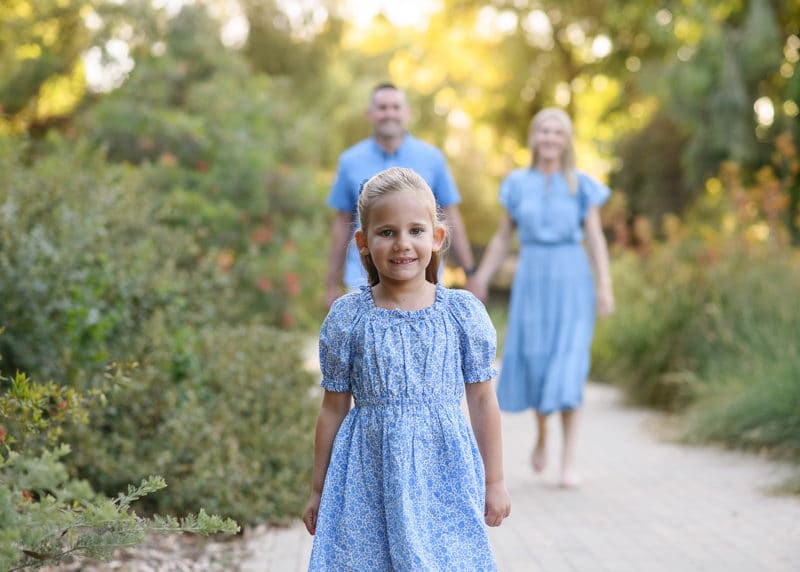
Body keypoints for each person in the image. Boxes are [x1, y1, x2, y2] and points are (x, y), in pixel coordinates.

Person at [304, 167, 511, 570]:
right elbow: (332, 408)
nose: (403, 244)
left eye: (416, 231)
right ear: (363, 243)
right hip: (367, 475)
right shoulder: (349, 318)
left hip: (443, 474)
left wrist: (495, 481)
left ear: (437, 238)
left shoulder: (461, 314)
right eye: (387, 233)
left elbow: (484, 401)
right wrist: (317, 490)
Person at [467, 107, 615, 489]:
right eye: (543, 131)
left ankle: (567, 461)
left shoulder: (581, 185)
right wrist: (481, 277)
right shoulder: (516, 184)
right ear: (534, 137)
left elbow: (595, 238)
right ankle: (542, 434)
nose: (550, 138)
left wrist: (605, 284)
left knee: (569, 364)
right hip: (531, 279)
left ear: (566, 141)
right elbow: (503, 238)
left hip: (572, 279)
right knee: (536, 361)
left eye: (557, 132)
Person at [324, 82, 475, 308]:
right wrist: (331, 281)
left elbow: (450, 216)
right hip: (361, 279)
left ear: (407, 113)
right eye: (382, 107)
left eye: (395, 107)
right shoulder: (350, 161)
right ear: (370, 114)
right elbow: (341, 223)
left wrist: (469, 271)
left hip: (422, 276)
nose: (389, 113)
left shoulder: (432, 159)